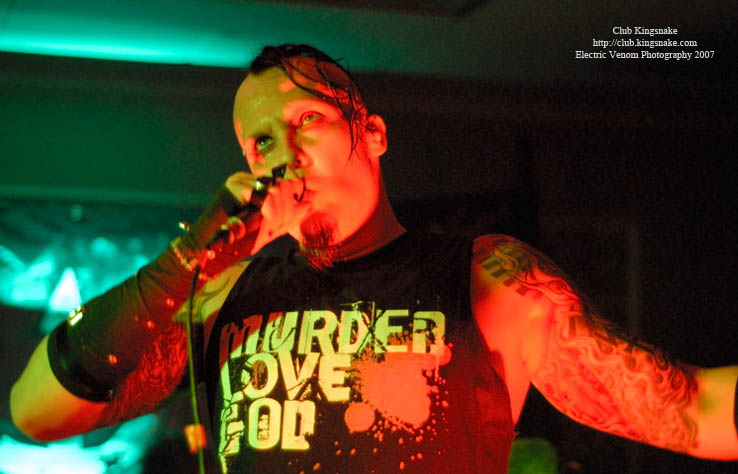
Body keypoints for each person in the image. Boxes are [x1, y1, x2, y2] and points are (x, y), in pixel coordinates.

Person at [9, 44, 738, 473]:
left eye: (309, 120)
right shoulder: (225, 291)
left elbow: (695, 410)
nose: (286, 153)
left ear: (375, 134)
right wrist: (185, 260)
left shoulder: (485, 275)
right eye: (261, 141)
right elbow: (36, 411)